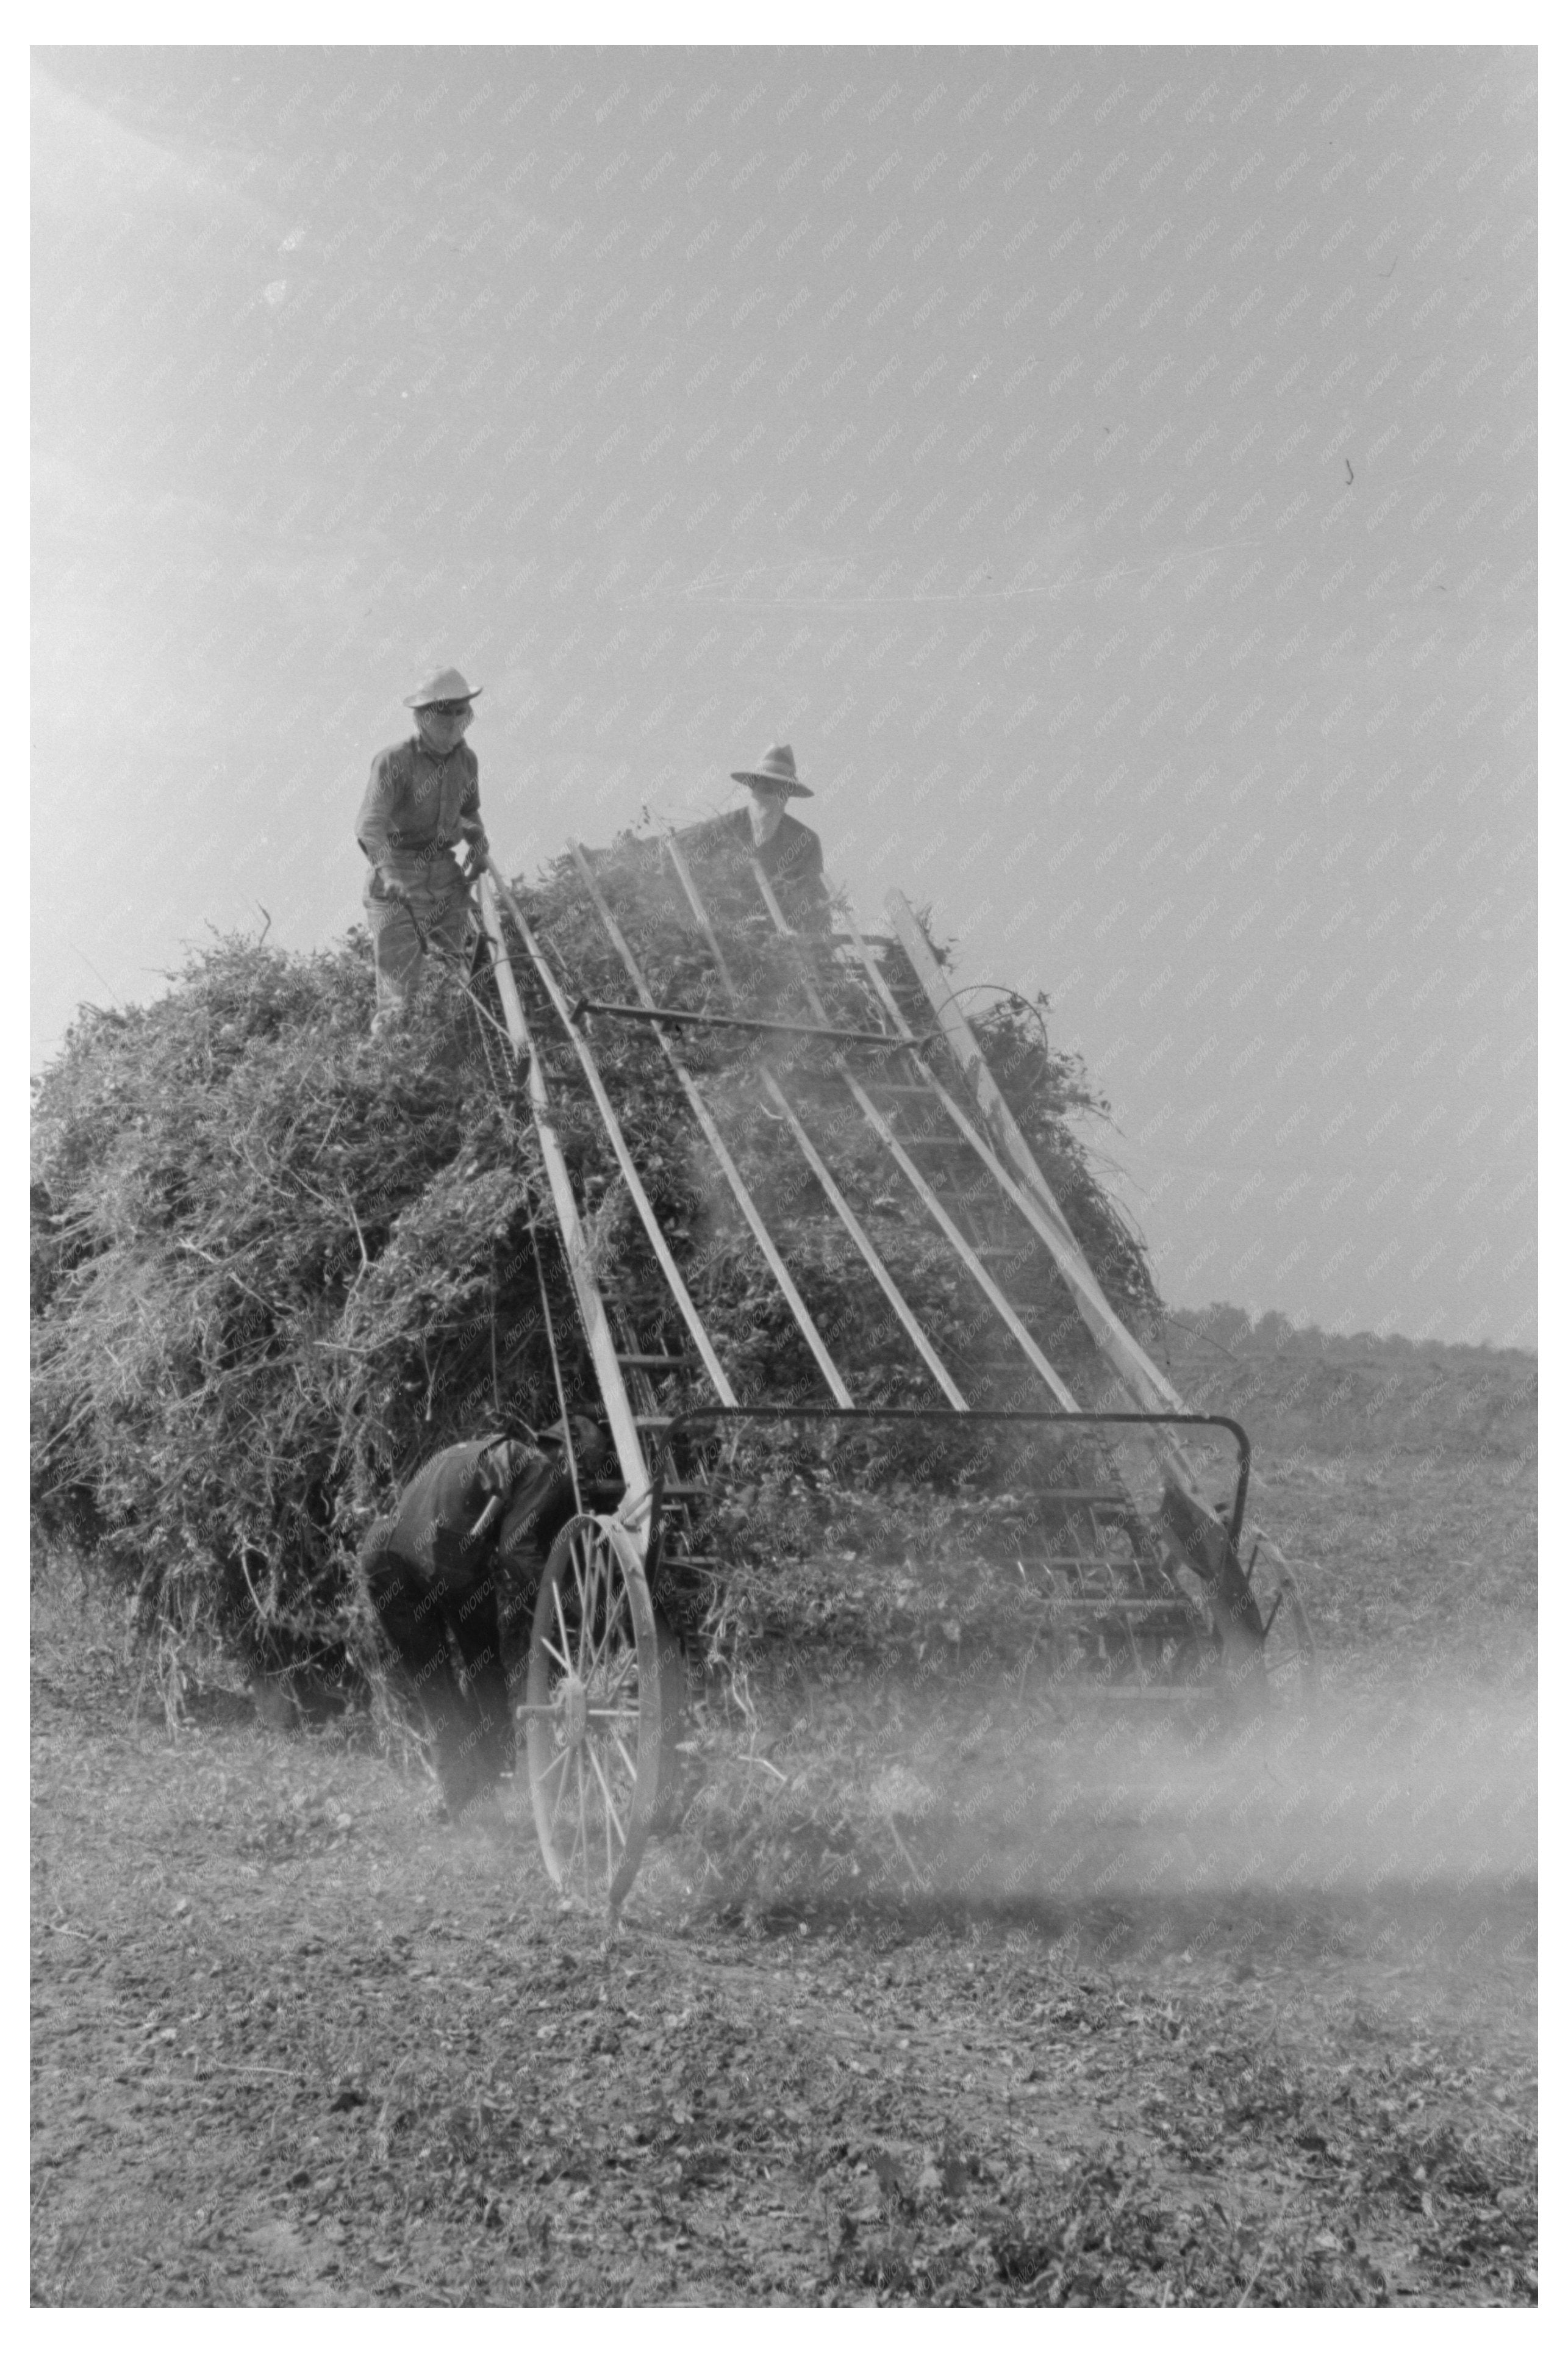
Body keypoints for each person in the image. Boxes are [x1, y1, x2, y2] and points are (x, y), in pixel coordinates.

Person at [359, 1418, 612, 1817]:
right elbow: (517, 1549)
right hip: (447, 1553)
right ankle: (495, 1778)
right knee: (484, 1668)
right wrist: (569, 1609)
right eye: (583, 1473)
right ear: (569, 1454)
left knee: (435, 1684)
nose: (573, 1486)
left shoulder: (477, 1449)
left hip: (381, 1552)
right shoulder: (541, 1467)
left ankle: (466, 1802)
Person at [356, 665, 490, 1033]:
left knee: (473, 967)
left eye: (461, 710)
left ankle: (466, 1050)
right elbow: (370, 825)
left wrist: (479, 843)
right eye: (444, 711)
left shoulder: (467, 761)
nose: (454, 720)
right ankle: (390, 1067)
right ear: (423, 716)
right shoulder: (394, 761)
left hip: (445, 874)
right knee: (399, 997)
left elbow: (467, 812)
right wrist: (388, 873)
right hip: (397, 873)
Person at [679, 742, 830, 929]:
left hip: (780, 939)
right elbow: (675, 848)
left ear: (789, 795)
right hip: (721, 931)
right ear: (752, 788)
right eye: (766, 789)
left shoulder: (805, 841)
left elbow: (815, 899)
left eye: (781, 791)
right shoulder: (721, 828)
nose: (772, 797)